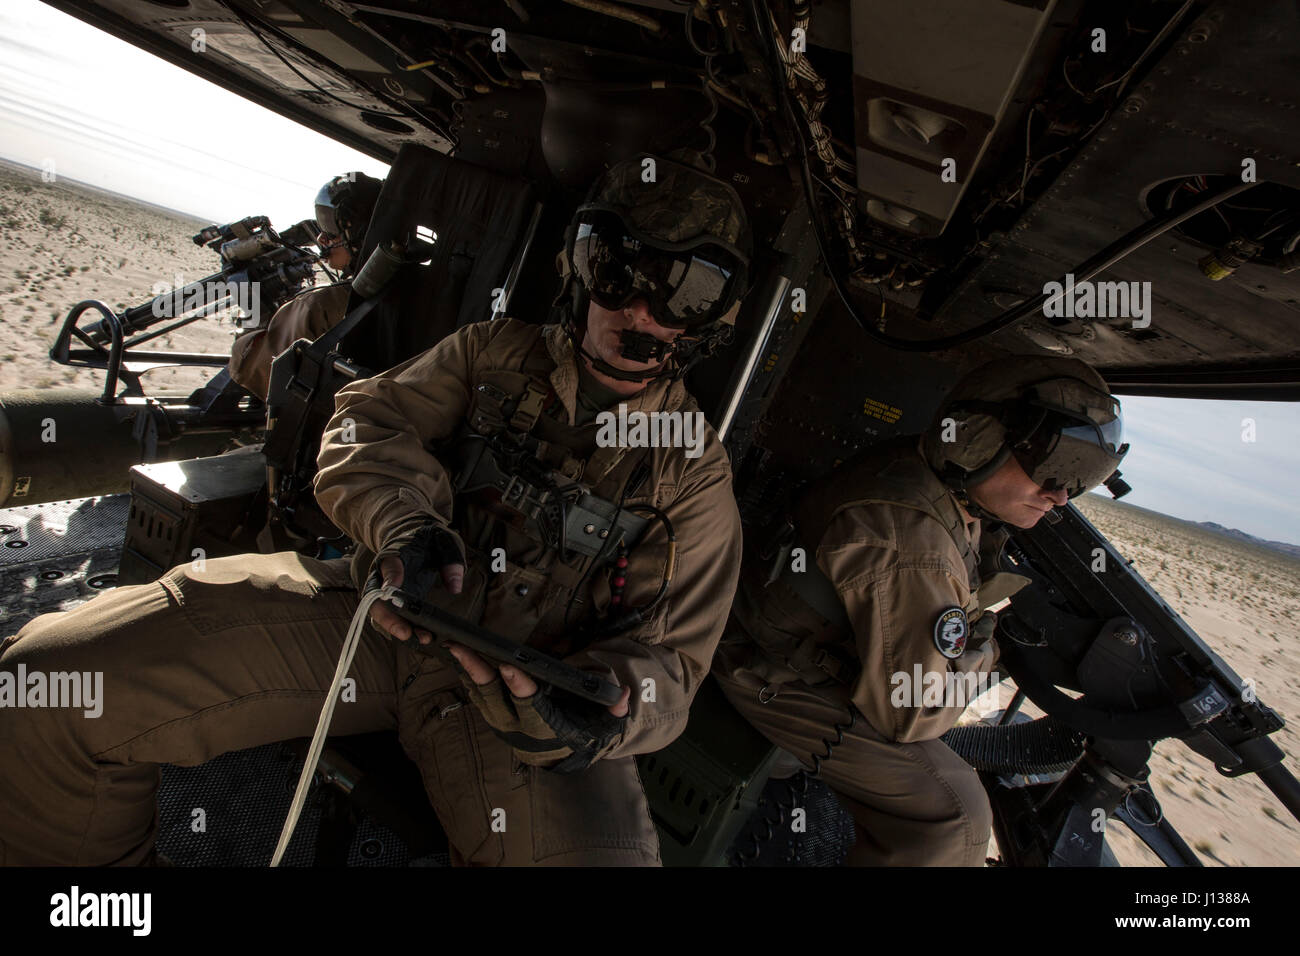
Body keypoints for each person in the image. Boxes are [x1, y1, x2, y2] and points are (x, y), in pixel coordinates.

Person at [0, 153, 749, 866]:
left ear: (711, 318)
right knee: (49, 687)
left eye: (685, 293)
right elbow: (364, 422)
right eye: (616, 272)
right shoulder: (490, 353)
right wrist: (404, 525)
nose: (642, 313)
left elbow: (672, 669)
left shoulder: (691, 472)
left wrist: (596, 713)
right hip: (377, 620)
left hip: (521, 710)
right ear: (579, 271)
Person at [712, 355, 1129, 866]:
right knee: (956, 817)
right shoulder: (913, 539)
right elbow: (913, 713)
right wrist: (987, 644)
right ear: (979, 438)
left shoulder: (940, 486)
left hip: (790, 646)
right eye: (1055, 465)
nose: (1062, 495)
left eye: (1084, 475)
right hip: (767, 669)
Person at [227, 172, 383, 399]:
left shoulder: (321, 305)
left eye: (331, 226)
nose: (322, 238)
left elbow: (255, 371)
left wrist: (254, 327)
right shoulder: (419, 291)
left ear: (362, 233)